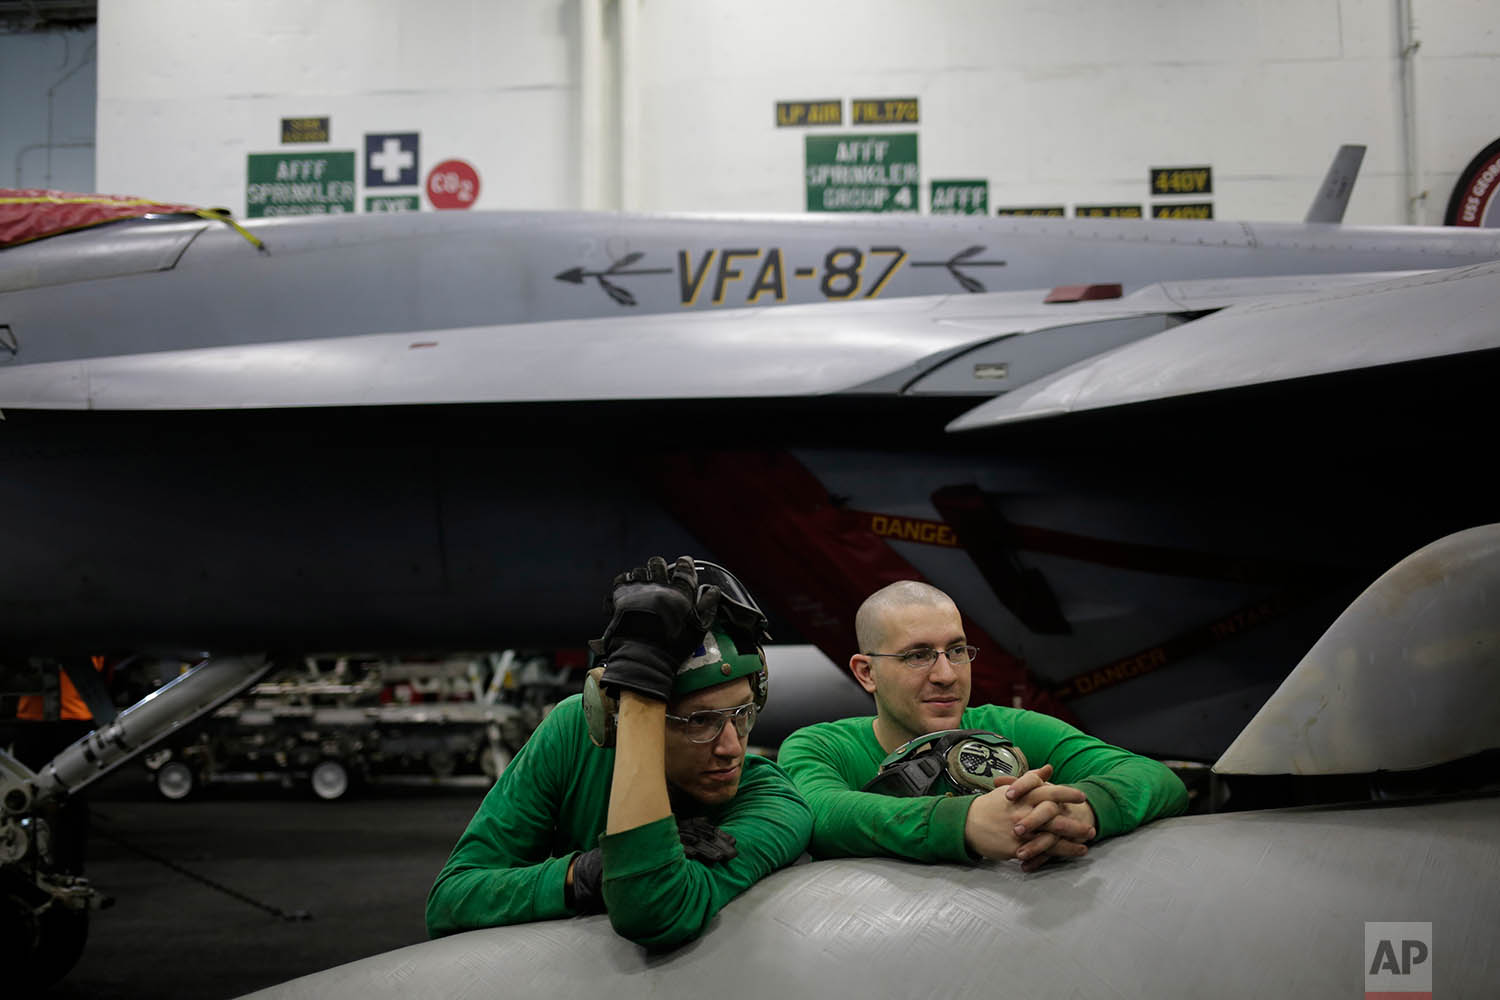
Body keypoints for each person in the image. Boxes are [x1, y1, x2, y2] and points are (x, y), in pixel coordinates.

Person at [425, 556, 812, 950]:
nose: (731, 747)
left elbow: (653, 906)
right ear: (615, 719)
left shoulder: (772, 804)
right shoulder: (573, 733)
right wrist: (588, 871)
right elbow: (451, 901)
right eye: (700, 721)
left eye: (743, 713)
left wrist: (582, 880)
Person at [778, 580, 1187, 871]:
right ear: (867, 672)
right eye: (918, 656)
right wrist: (966, 822)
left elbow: (1156, 778)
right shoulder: (820, 746)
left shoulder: (1009, 727)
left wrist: (1084, 809)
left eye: (956, 651)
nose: (946, 675)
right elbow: (820, 813)